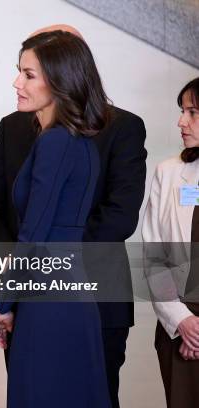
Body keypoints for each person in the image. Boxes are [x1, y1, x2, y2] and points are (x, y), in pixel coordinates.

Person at [0, 25, 146, 408]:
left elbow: (34, 237)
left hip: (48, 299)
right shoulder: (78, 139)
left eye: (28, 74)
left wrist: (1, 305)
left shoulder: (55, 141)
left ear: (59, 79)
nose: (16, 81)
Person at [142, 77, 199, 408]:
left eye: (192, 112)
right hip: (178, 330)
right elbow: (153, 258)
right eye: (182, 111)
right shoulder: (168, 172)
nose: (181, 121)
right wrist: (183, 322)